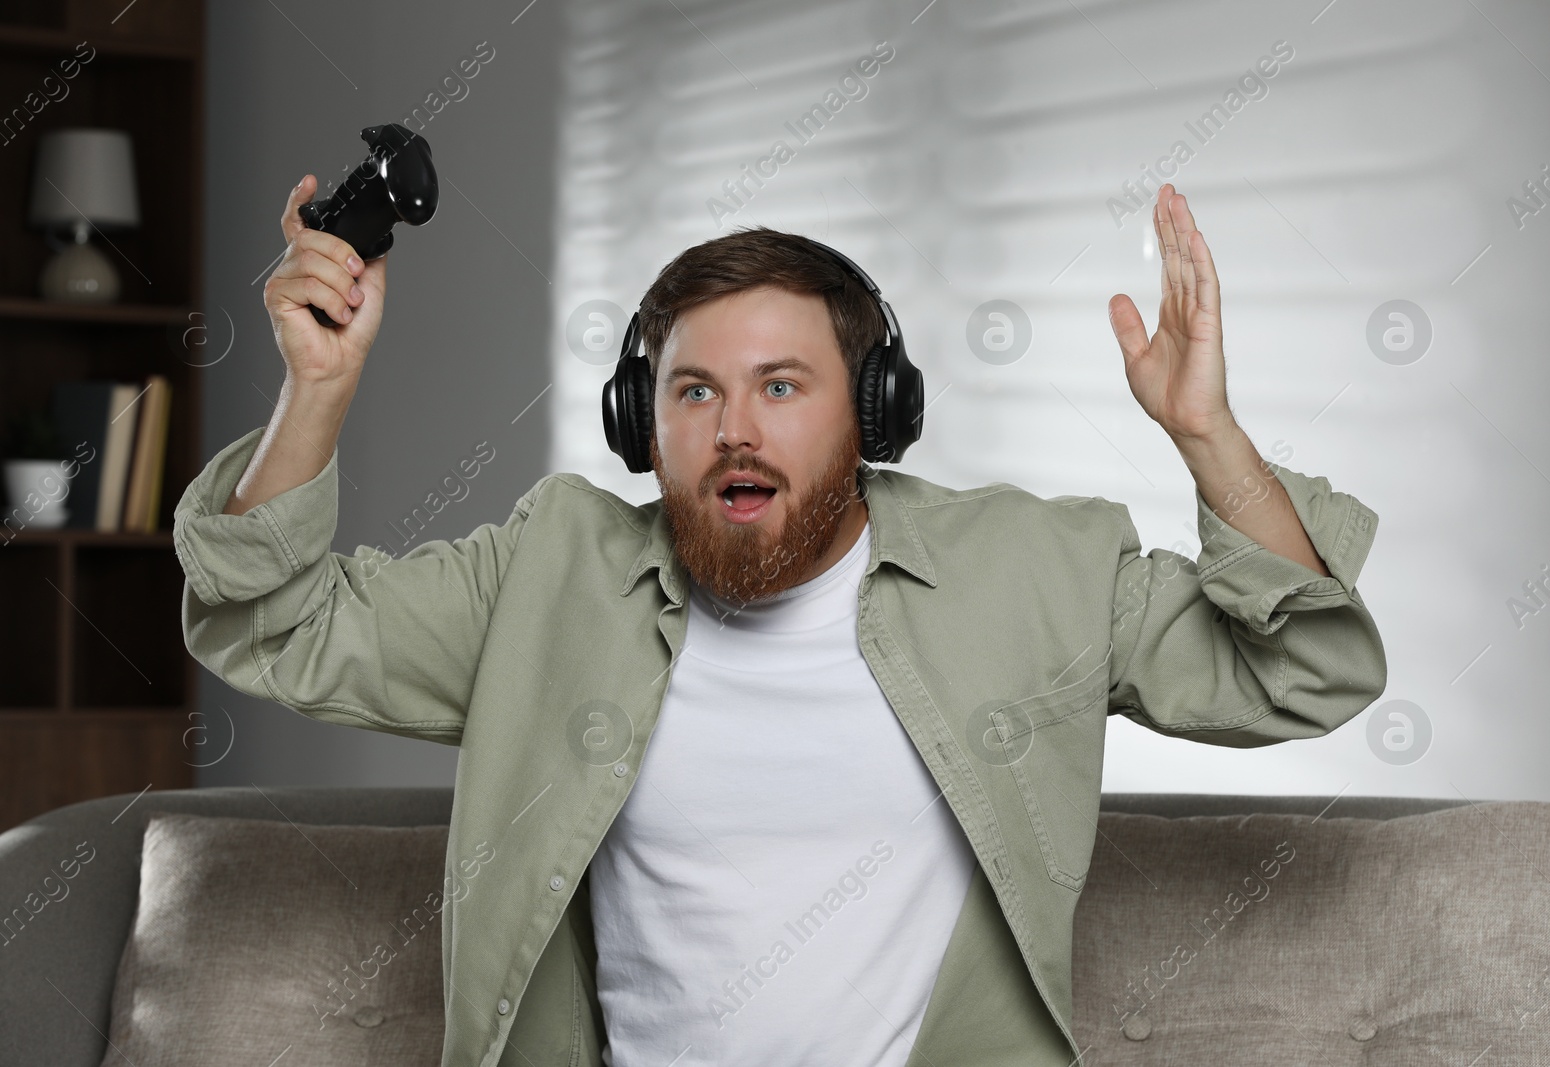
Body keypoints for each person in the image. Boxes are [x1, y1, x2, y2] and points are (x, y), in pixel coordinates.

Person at [175, 174, 1387, 1066]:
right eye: (692, 390)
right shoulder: (549, 574)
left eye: (782, 386)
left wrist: (1206, 437)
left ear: (874, 413)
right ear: (638, 426)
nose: (734, 429)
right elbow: (268, 619)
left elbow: (1302, 671)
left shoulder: (1038, 570)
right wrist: (316, 391)